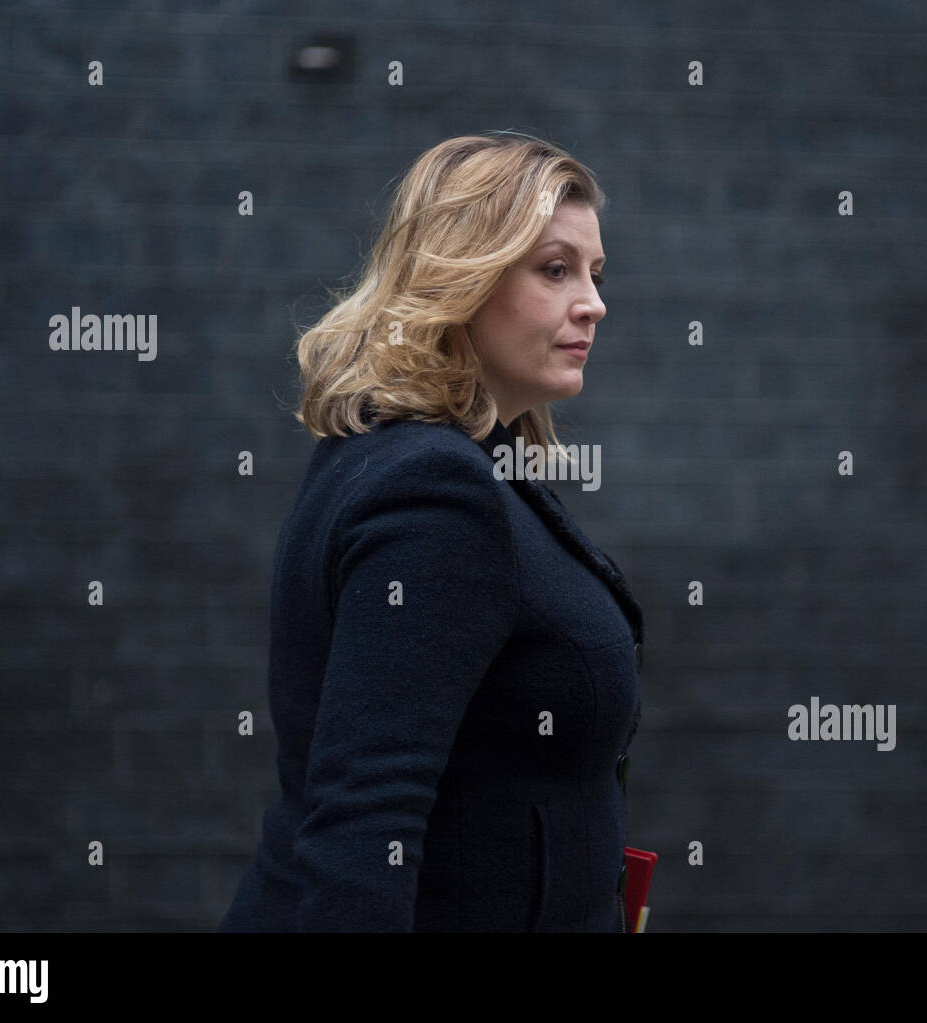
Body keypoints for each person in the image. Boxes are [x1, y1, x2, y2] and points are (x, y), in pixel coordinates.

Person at [218, 131, 645, 932]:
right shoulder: (434, 492)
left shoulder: (430, 460)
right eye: (555, 270)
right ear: (463, 279)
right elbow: (363, 824)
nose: (593, 301)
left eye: (594, 272)